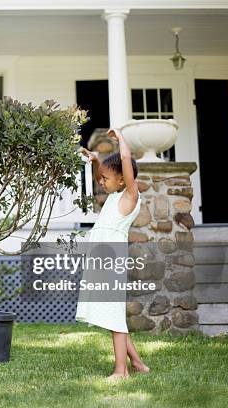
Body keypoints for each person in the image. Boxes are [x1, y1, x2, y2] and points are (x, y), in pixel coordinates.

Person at [75, 128, 150, 380]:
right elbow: (102, 175)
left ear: (122, 180)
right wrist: (96, 160)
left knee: (115, 317)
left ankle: (122, 371)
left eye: (106, 178)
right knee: (110, 313)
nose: (100, 181)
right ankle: (138, 364)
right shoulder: (114, 195)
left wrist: (121, 139)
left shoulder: (129, 196)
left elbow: (125, 161)